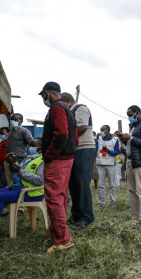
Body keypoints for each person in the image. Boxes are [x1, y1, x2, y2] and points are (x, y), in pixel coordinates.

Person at [39, 81, 77, 253]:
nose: (43, 99)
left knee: (54, 198)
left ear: (48, 93)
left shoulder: (56, 108)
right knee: (59, 198)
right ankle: (57, 235)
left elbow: (62, 134)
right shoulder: (66, 108)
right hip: (65, 159)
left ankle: (63, 240)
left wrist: (49, 155)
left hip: (57, 160)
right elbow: (74, 137)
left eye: (43, 95)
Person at [61, 92, 96, 230]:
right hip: (75, 149)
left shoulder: (80, 108)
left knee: (82, 183)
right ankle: (76, 214)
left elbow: (82, 127)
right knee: (73, 184)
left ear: (67, 101)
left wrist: (67, 139)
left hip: (84, 148)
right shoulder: (70, 111)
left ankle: (87, 216)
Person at [119, 105, 141, 223]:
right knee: (132, 190)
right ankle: (135, 216)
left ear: (137, 113)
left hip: (140, 161)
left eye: (130, 115)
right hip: (130, 160)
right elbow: (131, 142)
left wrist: (131, 138)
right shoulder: (133, 126)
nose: (129, 118)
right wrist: (123, 138)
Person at [0, 139, 45, 216]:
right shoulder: (30, 158)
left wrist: (20, 170)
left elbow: (40, 180)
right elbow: (20, 173)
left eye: (33, 146)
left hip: (31, 193)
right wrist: (12, 163)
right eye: (29, 145)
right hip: (20, 189)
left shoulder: (43, 161)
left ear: (40, 148)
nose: (30, 148)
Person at [5, 114, 33, 186]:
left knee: (17, 180)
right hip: (8, 160)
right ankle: (10, 194)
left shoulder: (24, 131)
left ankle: (18, 195)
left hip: (18, 160)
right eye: (11, 120)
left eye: (15, 120)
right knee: (9, 180)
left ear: (21, 121)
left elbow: (32, 143)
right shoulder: (11, 131)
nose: (13, 122)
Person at [97, 125, 120, 206]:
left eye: (103, 130)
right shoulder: (99, 139)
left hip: (111, 164)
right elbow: (97, 149)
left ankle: (112, 201)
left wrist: (109, 151)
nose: (101, 132)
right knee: (101, 185)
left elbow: (117, 151)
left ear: (107, 130)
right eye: (101, 130)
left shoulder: (115, 139)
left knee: (112, 184)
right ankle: (101, 202)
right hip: (100, 164)